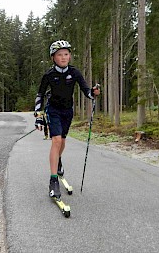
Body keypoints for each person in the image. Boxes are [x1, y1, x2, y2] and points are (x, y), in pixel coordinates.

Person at [34, 40, 100, 198]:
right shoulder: (49, 75)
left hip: (67, 111)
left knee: (62, 142)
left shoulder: (75, 73)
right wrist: (38, 114)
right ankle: (53, 180)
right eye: (59, 55)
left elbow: (87, 92)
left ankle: (58, 160)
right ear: (53, 58)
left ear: (69, 56)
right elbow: (40, 95)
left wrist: (94, 92)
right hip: (53, 110)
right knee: (56, 140)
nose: (63, 57)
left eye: (66, 54)